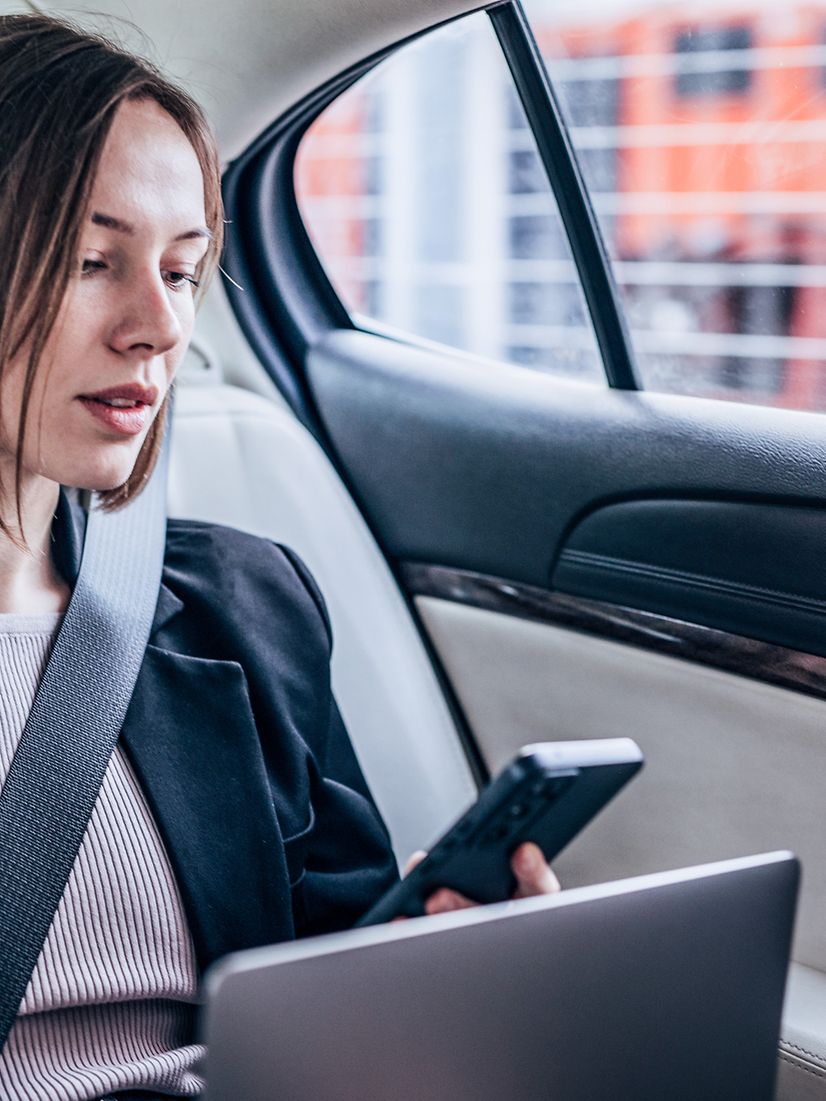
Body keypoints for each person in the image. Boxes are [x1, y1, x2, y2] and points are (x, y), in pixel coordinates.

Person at [0, 13, 559, 1101]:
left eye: (181, 269)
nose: (156, 326)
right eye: (89, 260)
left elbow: (326, 947)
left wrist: (441, 947)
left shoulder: (243, 603)